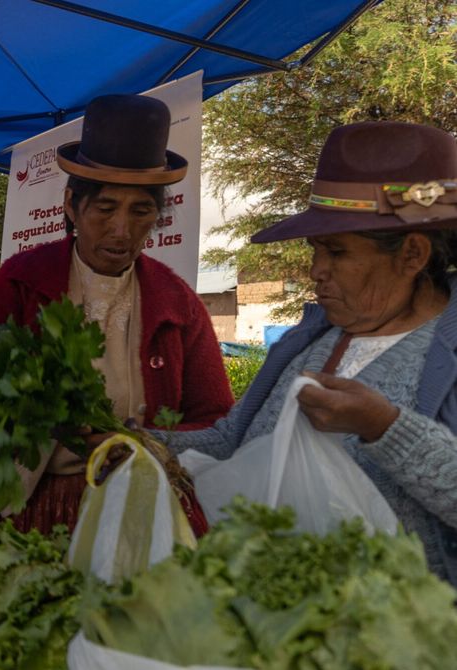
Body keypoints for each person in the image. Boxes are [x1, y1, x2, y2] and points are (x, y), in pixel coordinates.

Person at [153, 121, 457, 585]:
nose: (316, 271)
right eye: (316, 250)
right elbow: (235, 441)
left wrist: (385, 426)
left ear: (412, 255)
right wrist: (145, 444)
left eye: (335, 252)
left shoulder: (446, 353)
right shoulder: (313, 336)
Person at [0, 94, 233, 536]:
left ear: (158, 216)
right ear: (71, 205)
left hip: (146, 512)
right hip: (37, 514)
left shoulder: (176, 303)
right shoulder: (21, 284)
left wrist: (146, 446)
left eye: (141, 211)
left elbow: (214, 420)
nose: (122, 230)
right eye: (105, 208)